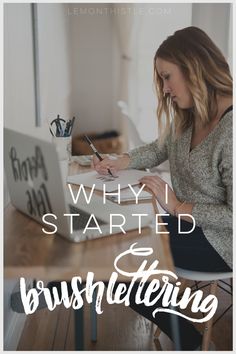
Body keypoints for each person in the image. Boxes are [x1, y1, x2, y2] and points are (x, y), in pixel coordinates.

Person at [92, 26, 232, 350]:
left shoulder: (231, 130)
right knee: (117, 245)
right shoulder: (193, 112)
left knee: (120, 262)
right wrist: (120, 160)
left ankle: (190, 342)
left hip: (222, 243)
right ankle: (190, 340)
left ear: (194, 66)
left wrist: (178, 207)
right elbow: (159, 148)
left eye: (168, 77)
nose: (165, 89)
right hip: (186, 227)